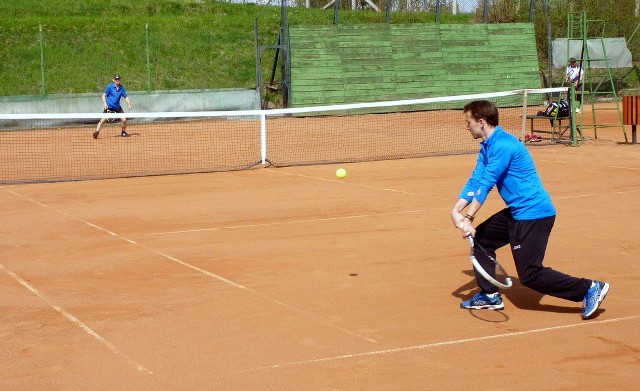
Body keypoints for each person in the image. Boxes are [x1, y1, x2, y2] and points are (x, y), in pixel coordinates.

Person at [450, 100, 609, 320]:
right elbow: (476, 178)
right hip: (517, 212)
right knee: (482, 241)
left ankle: (589, 288)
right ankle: (489, 294)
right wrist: (456, 209)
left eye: (468, 122)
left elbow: (487, 182)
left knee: (530, 274)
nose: (467, 127)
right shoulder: (487, 146)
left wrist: (468, 217)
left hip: (534, 214)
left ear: (481, 122)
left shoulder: (503, 145)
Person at [93, 74, 132, 139]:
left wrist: (129, 104)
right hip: (109, 107)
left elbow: (125, 97)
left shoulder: (121, 88)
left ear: (120, 80)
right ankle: (96, 132)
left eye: (118, 79)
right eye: (116, 79)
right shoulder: (109, 87)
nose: (117, 80)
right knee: (102, 120)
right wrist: (105, 103)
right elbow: (103, 95)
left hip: (117, 108)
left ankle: (123, 132)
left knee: (124, 120)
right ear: (113, 80)